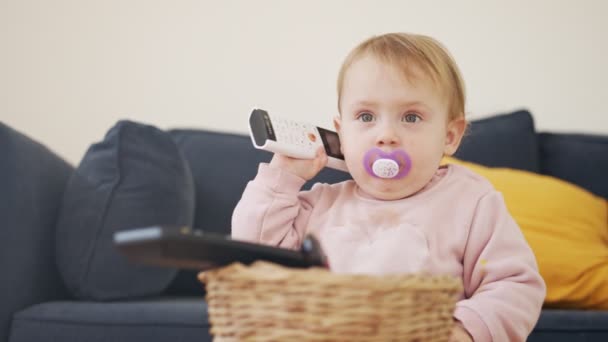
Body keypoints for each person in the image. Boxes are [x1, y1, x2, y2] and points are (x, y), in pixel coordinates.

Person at [231, 32, 546, 342]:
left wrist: (464, 330)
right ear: (342, 132)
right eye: (366, 116)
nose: (386, 135)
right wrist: (281, 179)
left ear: (450, 135)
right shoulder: (320, 204)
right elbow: (252, 254)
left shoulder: (471, 201)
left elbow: (515, 284)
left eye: (410, 117)